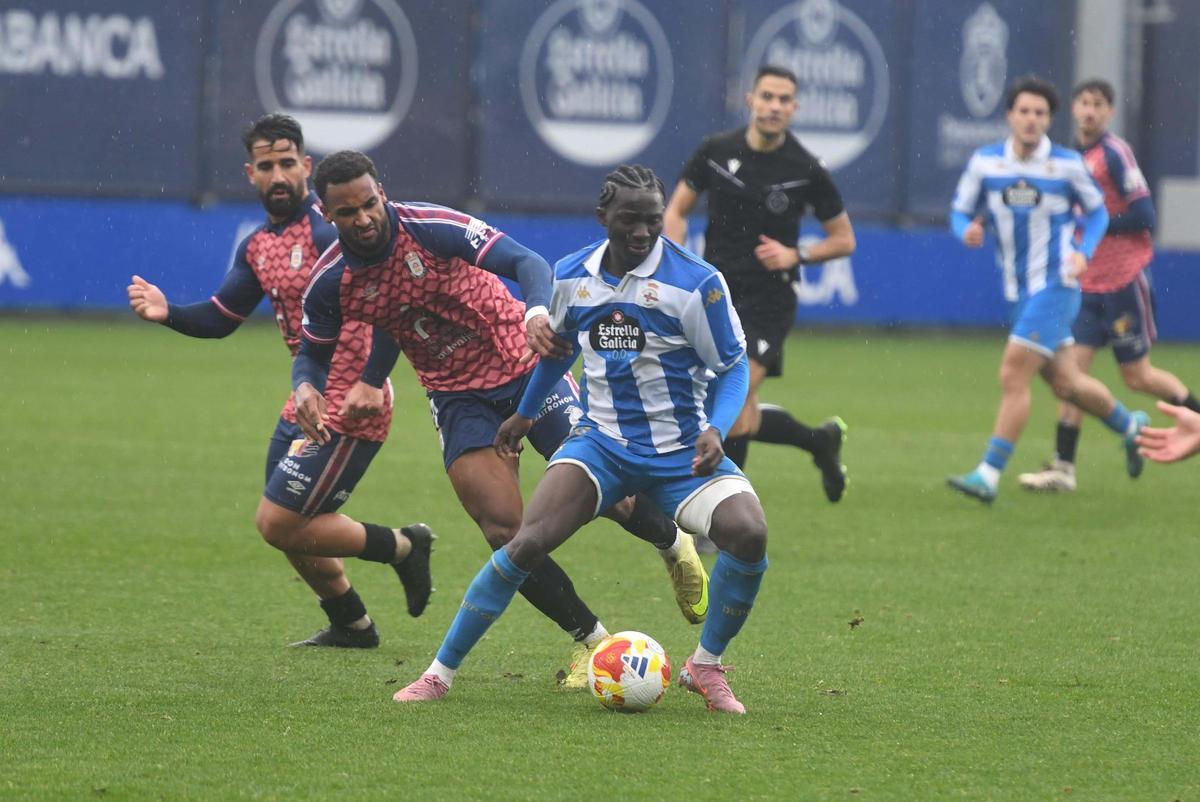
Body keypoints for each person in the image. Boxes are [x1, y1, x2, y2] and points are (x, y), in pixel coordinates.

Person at [293, 151, 709, 687]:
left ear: (382, 193)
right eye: (347, 212)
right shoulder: (333, 280)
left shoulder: (432, 227)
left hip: (525, 366)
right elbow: (313, 350)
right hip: (456, 397)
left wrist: (537, 311)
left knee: (610, 494)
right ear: (327, 214)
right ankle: (594, 642)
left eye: (370, 203)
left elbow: (527, 262)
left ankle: (673, 542)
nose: (364, 218)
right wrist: (305, 385)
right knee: (504, 531)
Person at [394, 165, 769, 714]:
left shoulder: (698, 283)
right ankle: (439, 674)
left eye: (652, 221)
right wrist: (524, 416)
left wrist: (715, 427)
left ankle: (704, 667)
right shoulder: (572, 277)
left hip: (681, 450)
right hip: (601, 448)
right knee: (522, 543)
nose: (641, 233)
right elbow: (559, 352)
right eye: (628, 220)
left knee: (750, 533)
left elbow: (733, 369)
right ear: (603, 217)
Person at [126, 114, 432, 648]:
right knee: (291, 531)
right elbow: (223, 317)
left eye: (288, 163)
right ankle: (351, 623)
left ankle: (405, 546)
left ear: (306, 166)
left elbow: (393, 303)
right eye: (267, 166)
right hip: (307, 400)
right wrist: (168, 311)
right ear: (251, 174)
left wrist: (372, 379)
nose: (279, 175)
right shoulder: (259, 246)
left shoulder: (330, 227)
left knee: (278, 521)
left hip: (354, 400)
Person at [947, 76, 1149, 504]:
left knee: (1012, 373)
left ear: (1049, 120)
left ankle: (988, 473)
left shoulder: (1066, 165)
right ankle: (1132, 427)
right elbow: (959, 211)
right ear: (1010, 115)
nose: (1031, 119)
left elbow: (1096, 215)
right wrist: (967, 230)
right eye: (1024, 111)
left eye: (1040, 113)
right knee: (1068, 385)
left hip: (1057, 284)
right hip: (1017, 291)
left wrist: (1083, 252)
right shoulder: (986, 163)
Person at [664, 64, 855, 506]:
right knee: (739, 415)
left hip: (771, 300)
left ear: (795, 107)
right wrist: (678, 259)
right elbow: (676, 211)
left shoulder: (806, 168)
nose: (774, 107)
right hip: (717, 296)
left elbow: (844, 239)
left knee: (736, 394)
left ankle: (720, 513)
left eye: (784, 100)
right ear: (749, 99)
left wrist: (797, 254)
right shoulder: (715, 151)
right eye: (767, 97)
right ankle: (818, 442)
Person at [1018, 78, 1200, 492]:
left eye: (1098, 104)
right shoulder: (1066, 159)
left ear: (1109, 112)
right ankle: (1063, 468)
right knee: (1073, 377)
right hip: (1085, 285)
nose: (1089, 111)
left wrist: (1093, 228)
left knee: (1137, 376)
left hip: (1122, 280)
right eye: (1083, 102)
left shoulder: (1114, 155)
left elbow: (1144, 216)